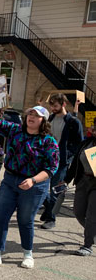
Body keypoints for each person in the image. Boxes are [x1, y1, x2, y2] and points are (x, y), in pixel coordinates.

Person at [0, 88, 59, 269]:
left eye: (36, 116)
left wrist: (33, 180)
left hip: (34, 185)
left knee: (25, 219)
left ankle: (27, 253)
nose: (31, 117)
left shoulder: (48, 141)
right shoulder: (16, 130)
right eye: (29, 114)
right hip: (10, 180)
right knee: (0, 215)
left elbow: (51, 168)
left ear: (43, 121)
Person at [40, 93, 83, 229]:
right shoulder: (50, 119)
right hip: (45, 159)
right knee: (39, 188)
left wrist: (68, 155)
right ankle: (48, 209)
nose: (52, 108)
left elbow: (78, 143)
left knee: (56, 191)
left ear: (63, 104)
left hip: (61, 162)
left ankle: (51, 218)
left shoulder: (73, 122)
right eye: (51, 105)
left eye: (55, 106)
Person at [64, 124, 96, 256]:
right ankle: (93, 231)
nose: (92, 129)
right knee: (78, 212)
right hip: (83, 181)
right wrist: (66, 179)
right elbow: (76, 163)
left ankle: (87, 245)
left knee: (91, 216)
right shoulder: (86, 143)